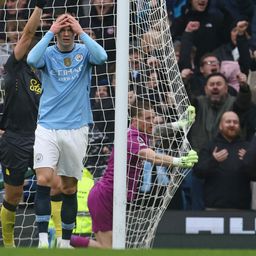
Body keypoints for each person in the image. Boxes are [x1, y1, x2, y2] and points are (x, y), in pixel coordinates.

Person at [70, 100, 198, 248]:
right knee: (109, 248)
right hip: (105, 197)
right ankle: (65, 241)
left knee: (113, 247)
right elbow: (152, 157)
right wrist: (180, 161)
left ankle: (65, 240)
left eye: (153, 117)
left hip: (114, 197)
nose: (153, 121)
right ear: (136, 120)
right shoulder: (132, 138)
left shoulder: (141, 132)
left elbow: (159, 130)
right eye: (149, 118)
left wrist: (181, 124)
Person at [27, 13, 107, 248]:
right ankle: (42, 240)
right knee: (43, 178)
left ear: (74, 33)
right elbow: (31, 59)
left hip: (76, 128)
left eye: (69, 30)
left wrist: (81, 30)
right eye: (62, 31)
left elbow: (102, 57)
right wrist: (50, 30)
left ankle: (64, 242)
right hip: (47, 126)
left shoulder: (84, 53)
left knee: (69, 187)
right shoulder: (48, 54)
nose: (65, 33)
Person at [0, 0, 48, 248]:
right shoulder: (14, 66)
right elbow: (28, 33)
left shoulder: (42, 74)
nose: (30, 44)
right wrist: (38, 6)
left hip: (40, 137)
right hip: (14, 139)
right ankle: (8, 246)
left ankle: (54, 239)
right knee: (14, 196)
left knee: (52, 183)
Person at [188, 72, 252, 210]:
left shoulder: (234, 103)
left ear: (226, 88)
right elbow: (185, 103)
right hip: (200, 160)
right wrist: (184, 81)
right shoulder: (198, 103)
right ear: (205, 88)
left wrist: (244, 87)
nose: (215, 87)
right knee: (198, 208)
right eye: (212, 84)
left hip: (234, 190)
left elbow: (244, 103)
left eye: (219, 84)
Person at [193, 111, 254, 210]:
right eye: (228, 122)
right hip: (213, 208)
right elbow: (197, 172)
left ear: (239, 126)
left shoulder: (248, 147)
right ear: (220, 126)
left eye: (235, 122)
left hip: (242, 209)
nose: (232, 124)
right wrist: (213, 160)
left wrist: (248, 162)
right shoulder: (209, 146)